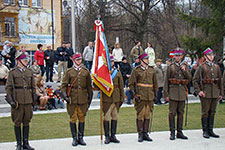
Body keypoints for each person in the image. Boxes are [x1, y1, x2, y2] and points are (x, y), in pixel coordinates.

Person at [5, 51, 35, 150]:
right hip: (17, 101)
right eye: (24, 60)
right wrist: (11, 101)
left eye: (26, 60)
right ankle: (18, 144)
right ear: (19, 61)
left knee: (27, 121)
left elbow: (33, 86)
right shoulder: (12, 72)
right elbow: (8, 88)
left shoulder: (29, 72)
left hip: (28, 100)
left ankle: (26, 143)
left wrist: (34, 99)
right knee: (17, 121)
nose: (26, 62)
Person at [61, 53, 93, 146]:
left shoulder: (85, 71)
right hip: (72, 98)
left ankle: (81, 137)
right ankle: (74, 138)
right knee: (73, 118)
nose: (79, 61)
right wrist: (65, 96)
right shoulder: (69, 72)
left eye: (80, 60)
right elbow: (64, 85)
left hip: (83, 98)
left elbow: (88, 86)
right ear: (73, 61)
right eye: (77, 60)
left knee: (82, 117)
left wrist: (89, 98)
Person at [193, 48, 223, 139]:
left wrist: (220, 93)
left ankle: (211, 130)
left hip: (214, 92)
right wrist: (199, 91)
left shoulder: (216, 67)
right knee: (205, 112)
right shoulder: (201, 67)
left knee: (213, 111)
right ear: (205, 56)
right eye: (209, 55)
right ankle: (205, 131)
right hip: (205, 92)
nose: (211, 56)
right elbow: (195, 80)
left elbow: (220, 81)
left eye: (212, 55)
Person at [163, 48, 192, 140]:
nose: (177, 57)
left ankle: (180, 132)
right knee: (172, 113)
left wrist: (184, 70)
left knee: (181, 113)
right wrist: (166, 95)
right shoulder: (170, 66)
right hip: (173, 92)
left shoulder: (185, 66)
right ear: (174, 56)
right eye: (176, 55)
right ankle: (172, 132)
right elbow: (166, 81)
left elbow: (189, 78)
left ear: (182, 56)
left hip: (182, 92)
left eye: (179, 55)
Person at [129, 53, 158, 142]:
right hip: (140, 96)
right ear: (141, 60)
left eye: (148, 59)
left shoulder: (152, 70)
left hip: (150, 95)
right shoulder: (136, 70)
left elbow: (155, 83)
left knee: (147, 114)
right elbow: (131, 84)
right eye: (145, 59)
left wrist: (156, 95)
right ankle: (140, 133)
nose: (147, 60)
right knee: (140, 115)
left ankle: (146, 133)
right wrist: (134, 95)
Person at [100, 56, 124, 144]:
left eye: (113, 61)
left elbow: (121, 86)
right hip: (107, 98)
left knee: (115, 117)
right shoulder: (103, 72)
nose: (112, 63)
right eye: (110, 61)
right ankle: (107, 136)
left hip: (116, 97)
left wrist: (122, 97)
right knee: (106, 117)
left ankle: (113, 135)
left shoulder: (117, 72)